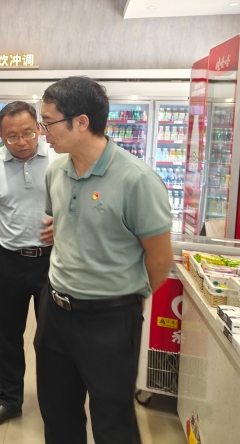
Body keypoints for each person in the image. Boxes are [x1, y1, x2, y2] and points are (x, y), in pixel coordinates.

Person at [35, 76, 174, 444]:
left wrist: (131, 296)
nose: (43, 132)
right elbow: (61, 223)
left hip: (111, 320)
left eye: (48, 122)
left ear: (81, 122)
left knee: (113, 423)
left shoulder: (137, 180)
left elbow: (161, 258)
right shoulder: (56, 171)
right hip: (55, 312)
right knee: (58, 415)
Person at [0, 101, 56, 427]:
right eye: (12, 136)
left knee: (53, 340)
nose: (21, 142)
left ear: (40, 129)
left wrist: (67, 223)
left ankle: (56, 404)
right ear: (0, 135)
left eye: (28, 133)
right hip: (8, 261)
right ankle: (9, 399)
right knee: (6, 337)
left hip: (53, 263)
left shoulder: (60, 159)